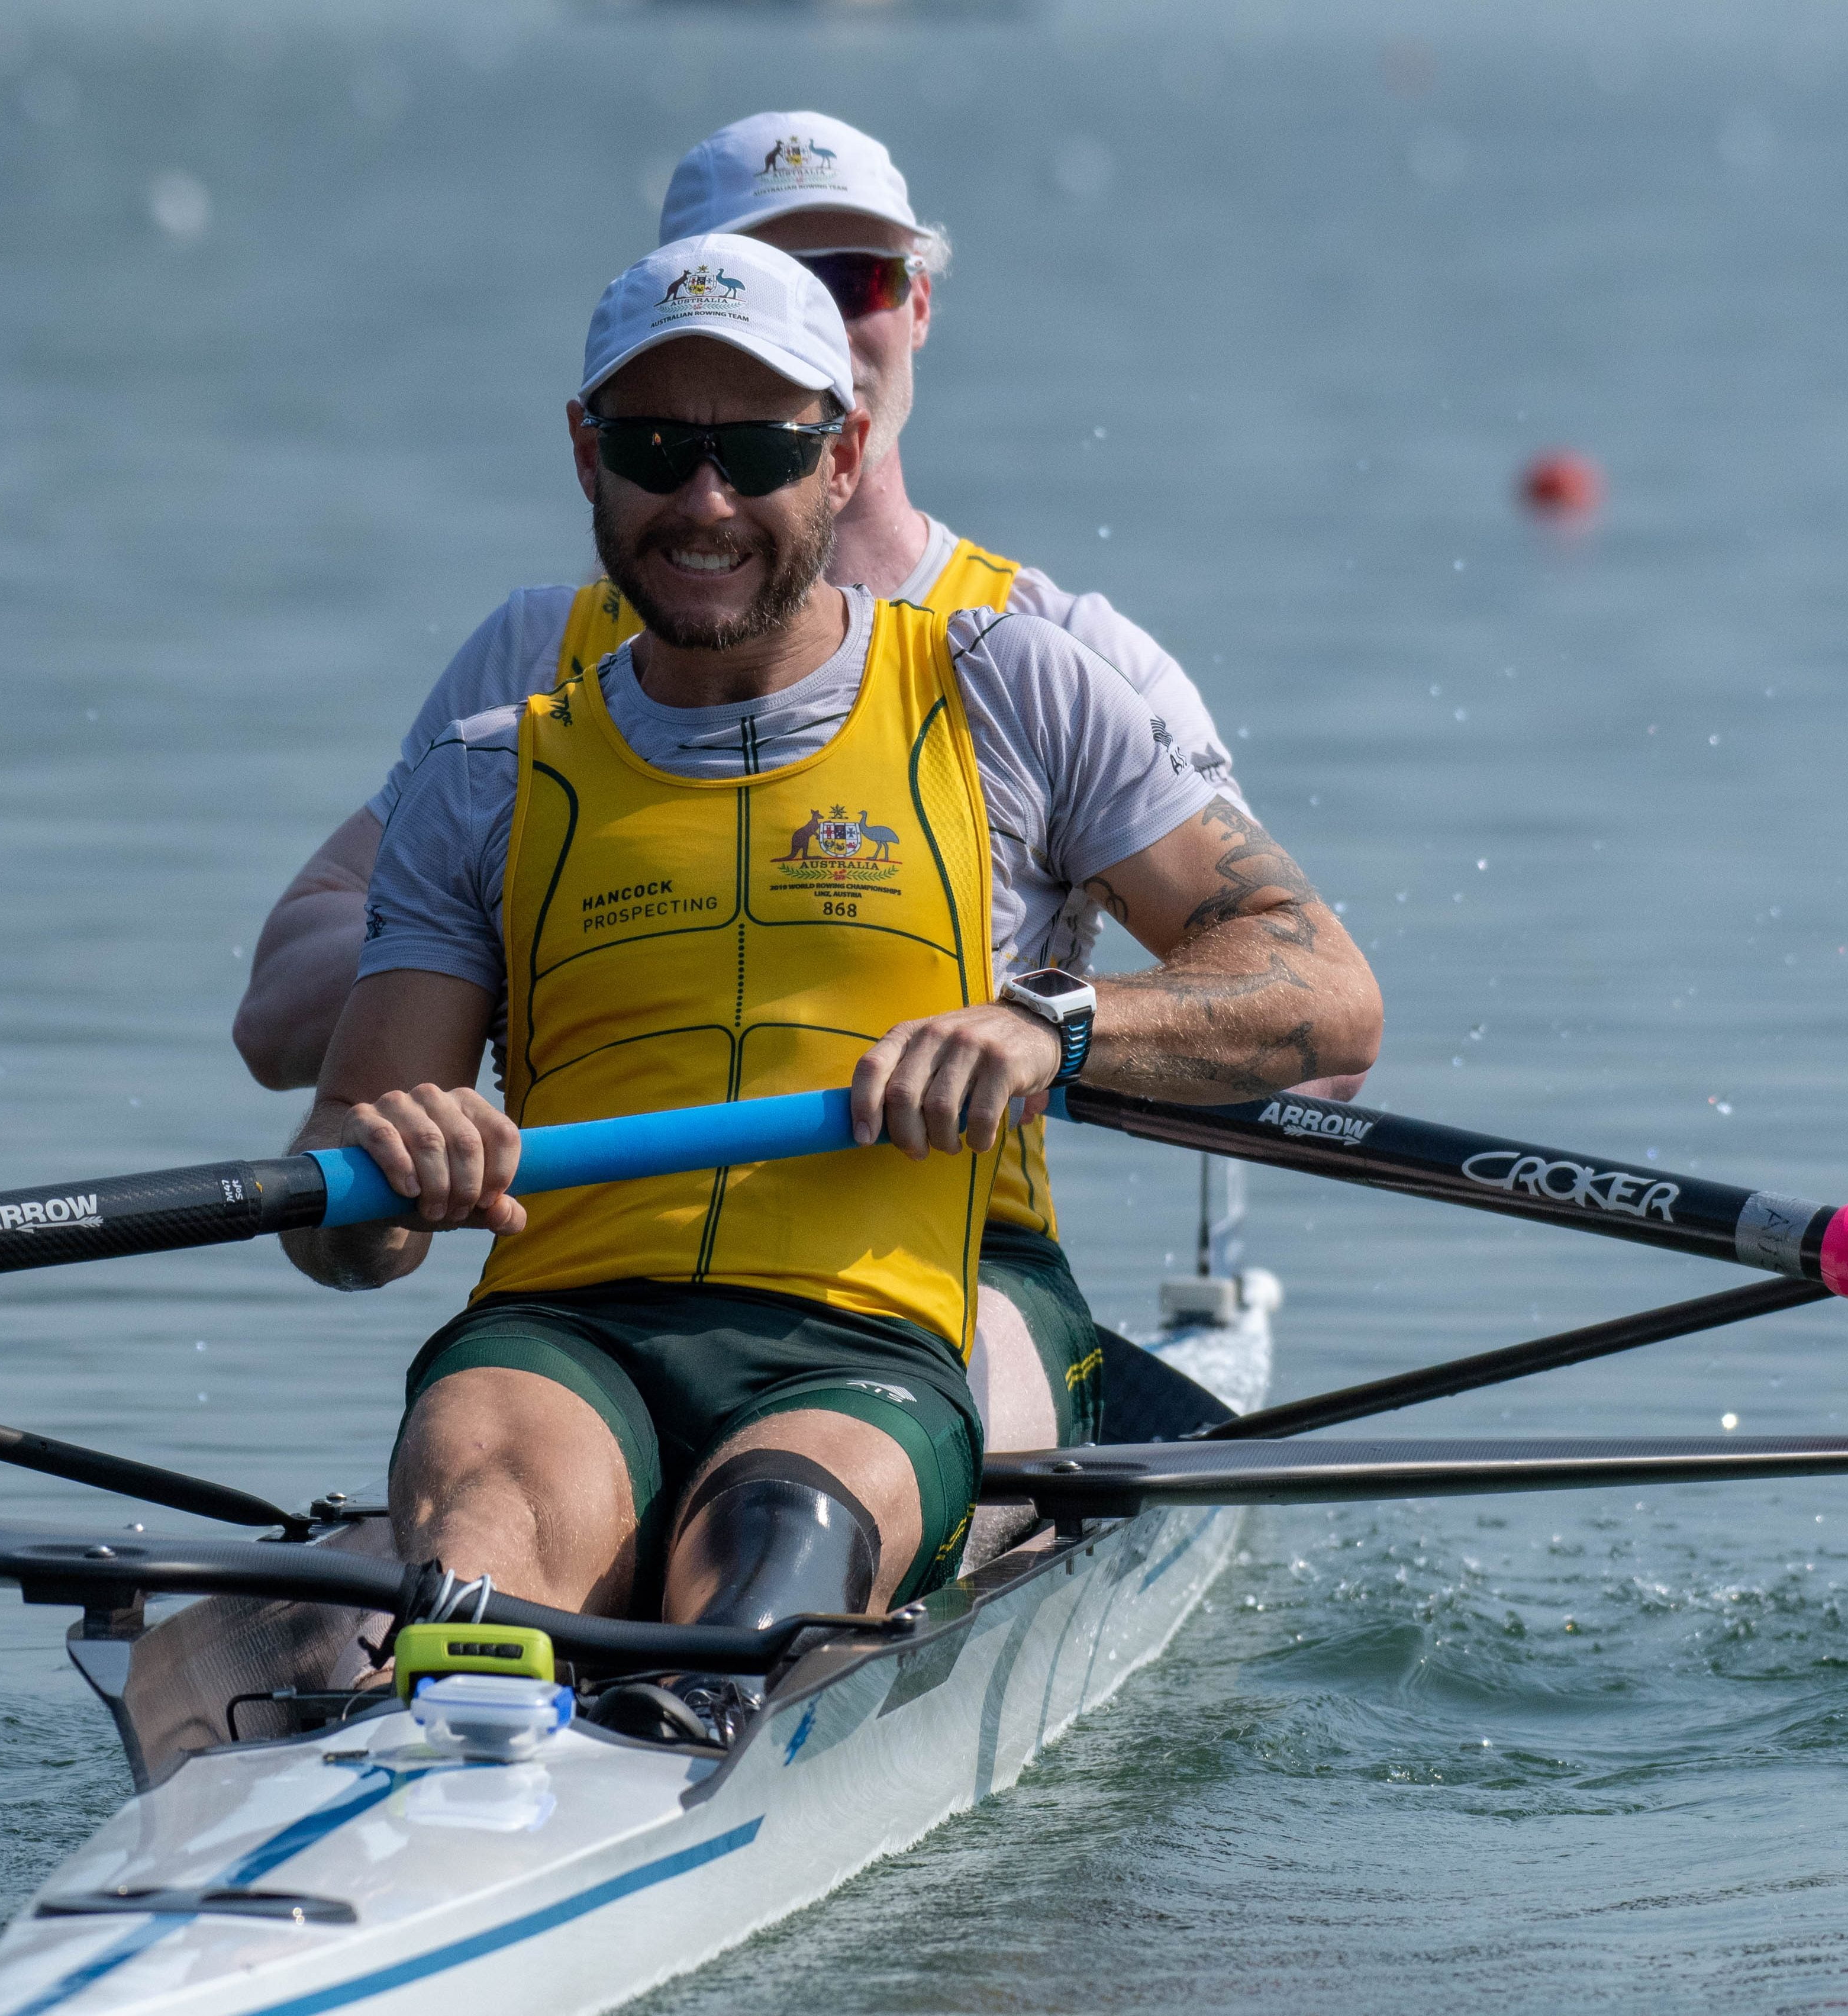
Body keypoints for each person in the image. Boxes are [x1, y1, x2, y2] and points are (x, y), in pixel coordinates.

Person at [281, 238, 1378, 1740]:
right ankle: (471, 1743)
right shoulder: (486, 774)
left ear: (845, 451)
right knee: (478, 1541)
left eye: (758, 451)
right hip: (559, 1327)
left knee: (766, 1567)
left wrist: (1055, 1026)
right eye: (658, 449)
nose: (706, 501)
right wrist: (391, 1177)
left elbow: (1321, 990)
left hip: (861, 1333)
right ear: (586, 456)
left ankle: (671, 1721)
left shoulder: (1014, 686)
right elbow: (342, 1223)